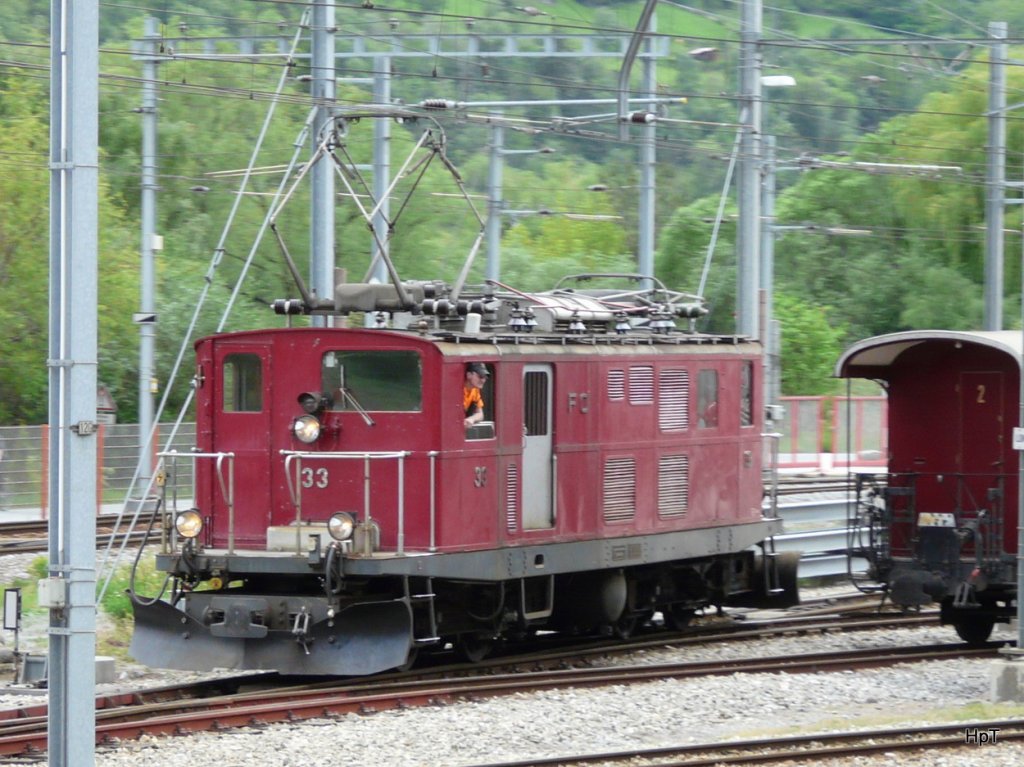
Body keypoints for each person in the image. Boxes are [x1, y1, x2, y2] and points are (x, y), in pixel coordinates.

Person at [463, 362, 489, 428]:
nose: (483, 380)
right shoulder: (457, 390)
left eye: (485, 377)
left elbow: (480, 414)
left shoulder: (475, 390)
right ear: (469, 375)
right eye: (480, 376)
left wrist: (471, 419)